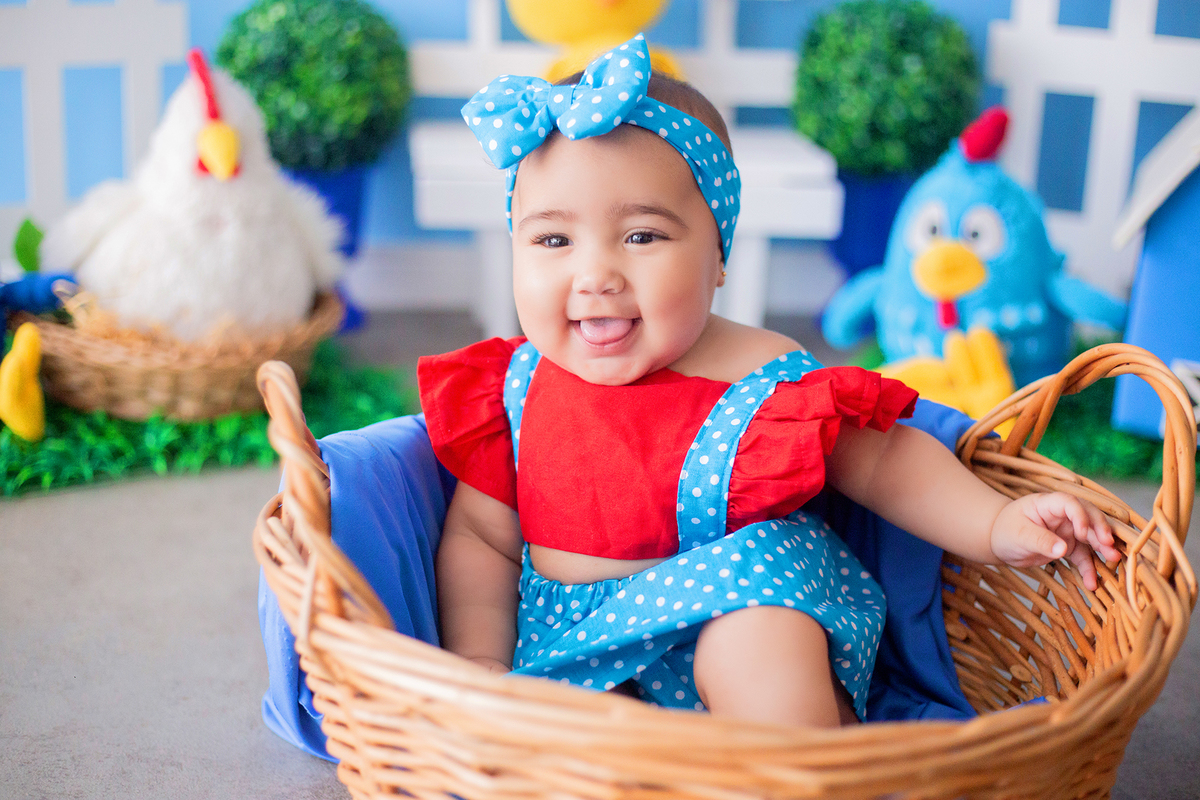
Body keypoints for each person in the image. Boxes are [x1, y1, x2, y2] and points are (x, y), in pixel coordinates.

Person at [416, 35, 1120, 729]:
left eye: (643, 237)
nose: (595, 275)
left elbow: (884, 461)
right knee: (549, 733)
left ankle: (792, 760)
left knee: (760, 642)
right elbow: (483, 538)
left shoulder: (760, 375)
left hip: (732, 608)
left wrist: (993, 524)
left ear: (717, 256)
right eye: (552, 241)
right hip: (578, 653)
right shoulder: (511, 388)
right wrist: (480, 664)